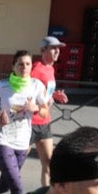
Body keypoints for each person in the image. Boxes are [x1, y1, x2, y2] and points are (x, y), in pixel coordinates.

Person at [0, 51, 41, 194]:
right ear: (13, 66)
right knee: (17, 188)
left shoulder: (36, 85)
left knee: (4, 186)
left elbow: (45, 110)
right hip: (2, 139)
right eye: (20, 64)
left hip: (22, 142)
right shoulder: (3, 85)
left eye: (28, 64)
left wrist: (35, 107)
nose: (24, 67)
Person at [30, 37, 69, 186]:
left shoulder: (50, 68)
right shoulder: (37, 69)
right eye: (53, 48)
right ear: (43, 50)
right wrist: (39, 104)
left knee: (49, 163)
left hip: (44, 122)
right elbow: (27, 92)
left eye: (58, 48)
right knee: (15, 162)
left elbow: (44, 93)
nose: (57, 51)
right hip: (31, 123)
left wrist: (54, 96)